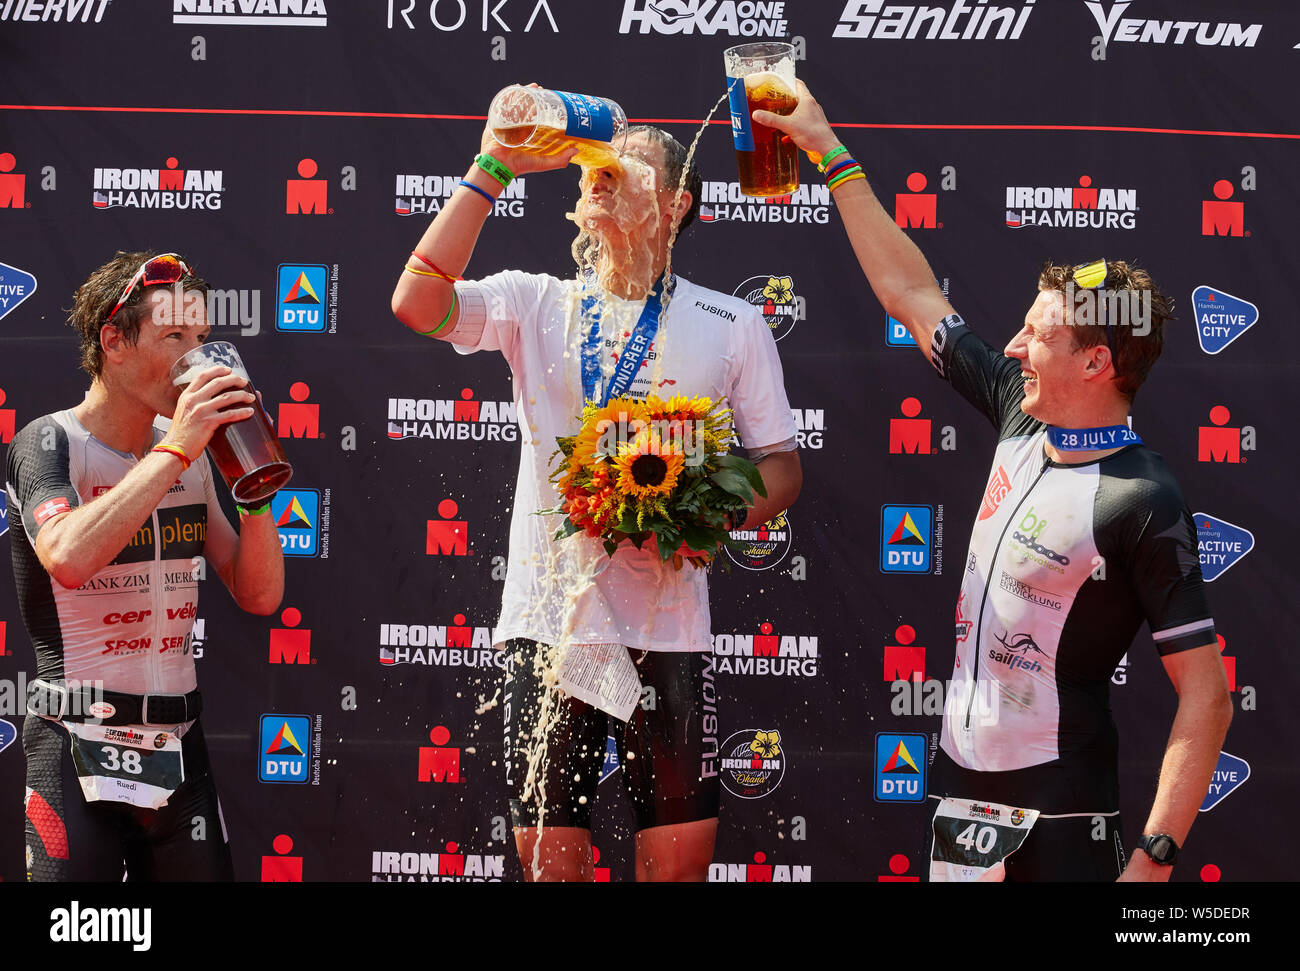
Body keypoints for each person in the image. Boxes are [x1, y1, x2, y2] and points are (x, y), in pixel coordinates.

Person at [756, 83, 1231, 881]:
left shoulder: (1142, 498)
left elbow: (1208, 695)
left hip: (1063, 809)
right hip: (956, 795)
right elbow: (911, 294)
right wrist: (826, 150)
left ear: (1096, 361)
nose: (1011, 346)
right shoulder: (1020, 409)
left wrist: (1154, 858)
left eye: (1036, 333)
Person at [391, 106, 802, 881]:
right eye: (595, 173)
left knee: (676, 869)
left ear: (676, 205)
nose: (602, 182)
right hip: (552, 625)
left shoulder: (732, 321)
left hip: (668, 625)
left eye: (627, 172)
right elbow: (416, 300)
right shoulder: (535, 301)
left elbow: (782, 466)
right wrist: (493, 167)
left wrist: (712, 520)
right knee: (553, 869)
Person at [7, 250, 285, 881]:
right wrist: (177, 448)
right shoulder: (50, 442)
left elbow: (259, 594)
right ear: (115, 341)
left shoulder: (191, 451)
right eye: (175, 337)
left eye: (204, 338)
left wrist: (255, 488)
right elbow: (68, 559)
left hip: (176, 744)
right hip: (75, 737)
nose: (198, 357)